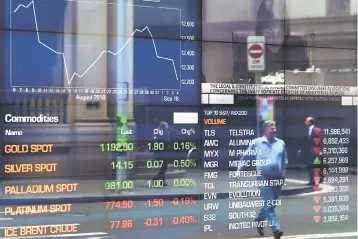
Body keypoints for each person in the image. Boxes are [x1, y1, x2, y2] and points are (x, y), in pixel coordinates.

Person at [232, 0, 310, 83]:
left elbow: (307, 81)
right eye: (269, 31)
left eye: (279, 32)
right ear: (260, 31)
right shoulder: (247, 50)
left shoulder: (296, 47)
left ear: (285, 29)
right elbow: (239, 85)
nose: (274, 38)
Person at [237, 120, 287, 239]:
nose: (274, 130)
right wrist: (239, 170)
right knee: (269, 205)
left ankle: (259, 220)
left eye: (275, 128)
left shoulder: (281, 143)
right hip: (263, 177)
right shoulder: (257, 143)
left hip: (278, 178)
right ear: (265, 130)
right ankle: (276, 230)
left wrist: (284, 171)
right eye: (272, 128)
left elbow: (285, 159)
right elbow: (246, 157)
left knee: (272, 204)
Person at [298, 117, 324, 185]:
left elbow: (320, 140)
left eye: (306, 121)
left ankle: (321, 177)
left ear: (310, 122)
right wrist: (301, 149)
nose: (305, 122)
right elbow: (305, 142)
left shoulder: (317, 130)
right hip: (308, 151)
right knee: (309, 165)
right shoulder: (306, 131)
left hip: (316, 150)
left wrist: (321, 150)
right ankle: (311, 180)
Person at [152, 121, 170, 186]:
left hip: (157, 153)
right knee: (164, 167)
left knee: (163, 167)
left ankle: (162, 182)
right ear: (164, 127)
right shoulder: (165, 132)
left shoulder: (156, 132)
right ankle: (156, 178)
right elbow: (167, 142)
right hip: (163, 153)